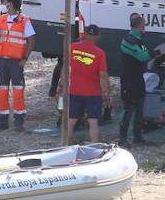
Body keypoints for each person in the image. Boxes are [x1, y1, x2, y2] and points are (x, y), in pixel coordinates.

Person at [0, 0, 35, 131]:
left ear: (10, 3)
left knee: (18, 90)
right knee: (2, 90)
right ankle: (2, 121)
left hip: (16, 62)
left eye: (4, 2)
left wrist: (25, 58)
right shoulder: (2, 19)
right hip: (2, 61)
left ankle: (19, 121)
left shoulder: (24, 20)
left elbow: (31, 40)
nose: (3, 4)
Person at [65, 24, 111, 144]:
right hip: (93, 92)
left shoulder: (72, 48)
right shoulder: (99, 53)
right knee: (93, 121)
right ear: (98, 36)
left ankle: (64, 145)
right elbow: (103, 75)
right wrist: (107, 93)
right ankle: (95, 147)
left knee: (71, 121)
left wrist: (61, 85)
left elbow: (65, 67)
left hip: (74, 90)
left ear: (85, 34)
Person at [119, 13, 152, 146]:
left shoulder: (139, 39)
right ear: (139, 25)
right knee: (128, 108)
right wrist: (156, 53)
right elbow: (142, 56)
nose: (145, 26)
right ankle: (122, 139)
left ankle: (138, 137)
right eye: (144, 24)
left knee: (139, 107)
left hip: (138, 78)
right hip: (129, 79)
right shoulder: (128, 40)